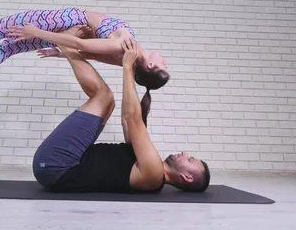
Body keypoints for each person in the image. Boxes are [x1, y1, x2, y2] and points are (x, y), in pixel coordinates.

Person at [32, 38, 210, 193]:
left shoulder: (154, 175)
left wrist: (126, 66)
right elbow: (127, 119)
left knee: (103, 97)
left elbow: (133, 117)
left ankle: (68, 44)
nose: (186, 153)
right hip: (62, 162)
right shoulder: (148, 160)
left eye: (190, 159)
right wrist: (133, 68)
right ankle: (68, 47)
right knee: (107, 101)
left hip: (57, 166)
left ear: (187, 177)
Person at [0, 7, 169, 93]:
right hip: (64, 30)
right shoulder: (128, 57)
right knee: (8, 49)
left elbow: (81, 45)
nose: (165, 60)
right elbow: (91, 53)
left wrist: (37, 33)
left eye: (163, 66)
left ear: (150, 66)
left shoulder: (125, 47)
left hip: (65, 21)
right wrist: (59, 51)